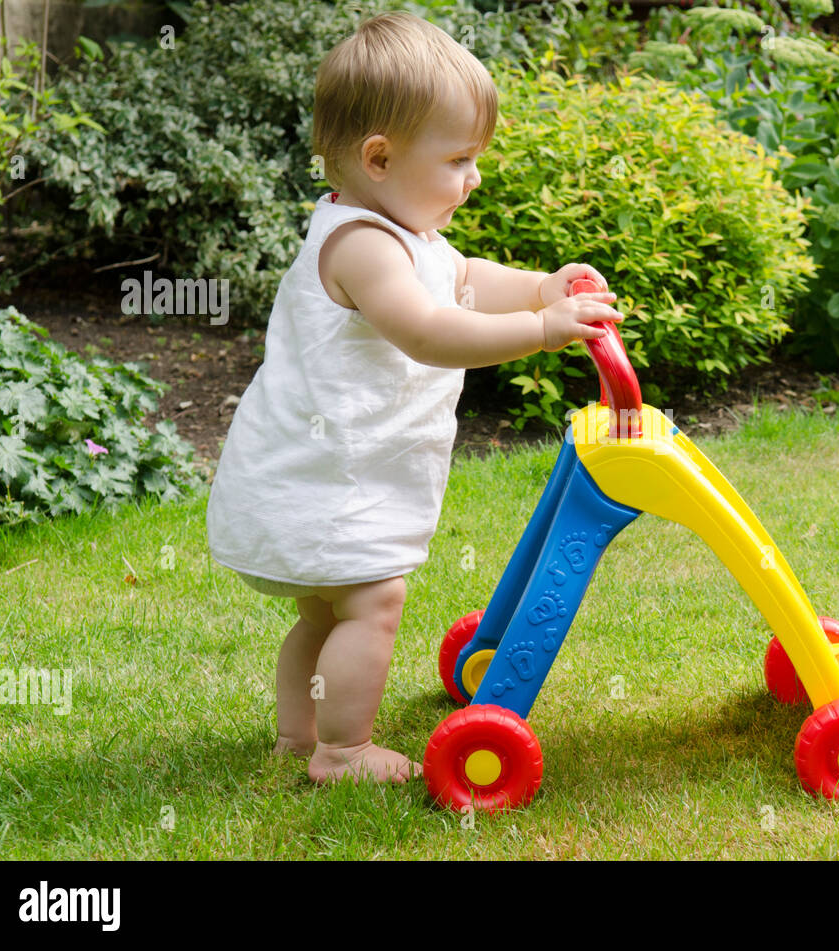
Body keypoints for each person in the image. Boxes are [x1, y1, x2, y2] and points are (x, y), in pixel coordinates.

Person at [205, 11, 623, 784]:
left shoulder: (408, 232)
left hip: (322, 473)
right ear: (380, 157)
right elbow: (430, 329)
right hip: (325, 480)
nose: (475, 177)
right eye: (461, 158)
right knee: (373, 601)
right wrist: (541, 327)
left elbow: (463, 280)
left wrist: (539, 285)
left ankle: (299, 737)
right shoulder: (361, 246)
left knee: (325, 612)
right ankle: (340, 749)